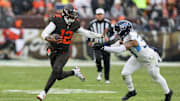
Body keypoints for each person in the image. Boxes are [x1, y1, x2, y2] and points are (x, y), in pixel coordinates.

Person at [93, 20, 173, 101]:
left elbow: (119, 50)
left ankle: (168, 92)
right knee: (125, 73)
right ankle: (132, 91)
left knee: (156, 77)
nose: (117, 33)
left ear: (124, 30)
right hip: (137, 57)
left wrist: (103, 48)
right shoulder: (127, 35)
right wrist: (103, 46)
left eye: (118, 31)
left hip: (149, 59)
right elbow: (118, 43)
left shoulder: (132, 39)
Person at [37, 4, 103, 101]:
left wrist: (100, 36)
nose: (74, 17)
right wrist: (49, 38)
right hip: (53, 50)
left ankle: (44, 92)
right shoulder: (57, 21)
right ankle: (74, 72)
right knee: (58, 75)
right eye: (72, 15)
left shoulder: (74, 24)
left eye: (74, 15)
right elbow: (44, 33)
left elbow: (86, 33)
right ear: (66, 14)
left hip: (64, 51)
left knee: (56, 69)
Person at [88, 8, 112, 83]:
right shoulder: (92, 23)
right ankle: (99, 72)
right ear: (96, 15)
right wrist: (89, 41)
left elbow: (113, 33)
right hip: (96, 44)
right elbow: (88, 33)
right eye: (98, 15)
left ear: (103, 15)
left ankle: (107, 78)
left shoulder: (108, 23)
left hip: (106, 44)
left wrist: (109, 39)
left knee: (106, 61)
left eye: (101, 14)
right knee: (97, 59)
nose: (99, 16)